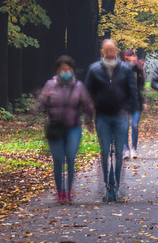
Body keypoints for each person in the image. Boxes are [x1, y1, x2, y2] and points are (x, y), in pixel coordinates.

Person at [84, 39, 139, 202]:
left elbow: (132, 90)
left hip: (120, 116)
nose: (110, 53)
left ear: (116, 51)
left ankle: (115, 185)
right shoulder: (94, 70)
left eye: (113, 49)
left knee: (119, 154)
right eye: (107, 50)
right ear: (102, 52)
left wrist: (128, 108)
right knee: (105, 151)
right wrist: (89, 114)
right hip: (102, 116)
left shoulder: (125, 70)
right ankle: (108, 185)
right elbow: (88, 93)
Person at [37, 55, 94, 204]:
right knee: (58, 160)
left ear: (73, 71)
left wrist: (89, 120)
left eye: (68, 69)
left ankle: (69, 190)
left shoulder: (79, 86)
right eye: (63, 70)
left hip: (73, 127)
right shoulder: (50, 85)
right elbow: (41, 106)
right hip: (55, 128)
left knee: (70, 158)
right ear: (57, 71)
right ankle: (60, 191)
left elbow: (86, 104)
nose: (66, 72)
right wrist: (42, 100)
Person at [122, 48, 145, 160]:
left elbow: (141, 86)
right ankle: (125, 149)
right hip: (124, 102)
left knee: (135, 125)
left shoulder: (137, 70)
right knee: (125, 126)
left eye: (135, 56)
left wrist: (143, 101)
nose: (135, 58)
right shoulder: (120, 69)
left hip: (136, 102)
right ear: (126, 57)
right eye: (132, 56)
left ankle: (134, 148)